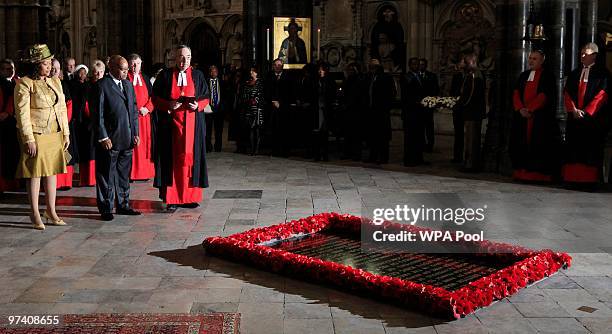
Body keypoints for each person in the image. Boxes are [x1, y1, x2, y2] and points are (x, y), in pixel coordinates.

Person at [14, 44, 70, 230]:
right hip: (37, 134)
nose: (49, 67)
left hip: (54, 132)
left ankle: (51, 211)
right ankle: (34, 212)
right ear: (36, 65)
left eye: (49, 63)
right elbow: (22, 114)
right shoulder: (24, 84)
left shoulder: (55, 81)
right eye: (45, 64)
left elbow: (61, 109)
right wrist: (28, 138)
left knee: (52, 172)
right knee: (35, 173)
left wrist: (66, 132)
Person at [152, 45, 210, 212]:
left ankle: (190, 197)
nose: (184, 61)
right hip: (171, 127)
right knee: (173, 162)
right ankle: (173, 198)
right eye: (181, 57)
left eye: (188, 57)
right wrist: (168, 104)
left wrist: (197, 105)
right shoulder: (165, 75)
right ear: (175, 58)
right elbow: (155, 98)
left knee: (191, 162)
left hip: (193, 127)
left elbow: (206, 97)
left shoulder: (198, 75)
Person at [91, 55, 141, 221]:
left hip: (127, 138)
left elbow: (133, 110)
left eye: (127, 69)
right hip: (109, 140)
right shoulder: (101, 85)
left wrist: (135, 133)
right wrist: (103, 136)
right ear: (111, 67)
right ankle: (106, 207)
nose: (127, 72)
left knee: (123, 175)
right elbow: (98, 115)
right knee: (106, 174)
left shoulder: (127, 84)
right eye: (122, 69)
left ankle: (123, 204)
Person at [562, 43, 610, 184]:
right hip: (575, 118)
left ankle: (588, 181)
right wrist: (573, 110)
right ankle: (571, 179)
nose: (582, 56)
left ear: (594, 55)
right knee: (573, 149)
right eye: (581, 53)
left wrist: (587, 112)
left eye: (586, 53)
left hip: (592, 120)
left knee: (590, 150)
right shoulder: (575, 73)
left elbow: (602, 95)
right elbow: (567, 93)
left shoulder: (603, 74)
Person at [510, 50, 559, 182]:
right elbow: (516, 93)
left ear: (542, 60)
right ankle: (521, 173)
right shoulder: (523, 75)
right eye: (530, 58)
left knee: (538, 145)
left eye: (534, 59)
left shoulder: (547, 76)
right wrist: (520, 109)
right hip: (522, 117)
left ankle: (537, 175)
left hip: (539, 118)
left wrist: (530, 109)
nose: (531, 61)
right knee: (521, 144)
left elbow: (544, 95)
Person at [127, 53, 156, 181]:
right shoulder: (125, 79)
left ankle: (145, 173)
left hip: (144, 119)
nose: (135, 66)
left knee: (145, 145)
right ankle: (131, 174)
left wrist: (147, 108)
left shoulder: (145, 78)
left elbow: (153, 98)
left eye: (137, 63)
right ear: (128, 65)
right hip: (130, 119)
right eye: (133, 64)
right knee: (133, 145)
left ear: (141, 64)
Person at [51, 58, 79, 190]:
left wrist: (63, 123)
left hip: (64, 125)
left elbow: (69, 104)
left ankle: (65, 182)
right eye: (52, 68)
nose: (54, 71)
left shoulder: (63, 85)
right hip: (50, 127)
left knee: (66, 153)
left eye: (57, 68)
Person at [456, 53, 486, 172]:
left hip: (472, 112)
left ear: (471, 63)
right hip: (472, 112)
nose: (462, 64)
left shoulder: (474, 75)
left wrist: (459, 105)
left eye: (464, 62)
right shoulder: (471, 74)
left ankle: (471, 165)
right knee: (470, 138)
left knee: (471, 140)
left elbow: (470, 96)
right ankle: (470, 162)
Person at [365, 59, 395, 164]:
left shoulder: (385, 77)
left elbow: (391, 93)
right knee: (372, 135)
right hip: (371, 111)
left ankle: (383, 157)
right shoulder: (369, 77)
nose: (371, 69)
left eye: (373, 67)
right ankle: (373, 156)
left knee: (382, 136)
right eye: (370, 67)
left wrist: (386, 106)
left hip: (382, 111)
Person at [400, 57, 427, 166]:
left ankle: (418, 158)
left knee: (419, 136)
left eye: (418, 64)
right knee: (410, 137)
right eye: (414, 64)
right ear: (410, 65)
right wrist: (416, 102)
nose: (417, 66)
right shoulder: (406, 77)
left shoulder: (420, 77)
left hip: (419, 112)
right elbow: (406, 95)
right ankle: (409, 159)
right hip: (410, 112)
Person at [0, 59, 20, 195]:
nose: (10, 71)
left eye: (12, 68)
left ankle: (14, 183)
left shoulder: (16, 82)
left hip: (14, 123)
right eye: (7, 69)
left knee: (14, 153)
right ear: (1, 71)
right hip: (2, 124)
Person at [265, 58, 293, 156]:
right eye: (276, 65)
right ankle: (274, 150)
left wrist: (281, 103)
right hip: (272, 107)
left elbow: (290, 93)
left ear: (283, 66)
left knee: (284, 130)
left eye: (279, 65)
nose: (278, 67)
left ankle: (285, 151)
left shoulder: (288, 77)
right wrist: (272, 101)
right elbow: (266, 91)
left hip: (284, 107)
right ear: (273, 66)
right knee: (273, 129)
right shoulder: (269, 76)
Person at [311, 62, 337, 161]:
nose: (320, 71)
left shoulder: (329, 81)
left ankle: (325, 154)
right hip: (317, 109)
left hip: (325, 109)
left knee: (324, 132)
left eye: (321, 70)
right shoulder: (315, 81)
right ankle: (317, 154)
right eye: (319, 70)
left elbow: (332, 95)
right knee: (316, 132)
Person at [238, 66, 265, 155]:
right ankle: (252, 149)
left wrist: (255, 100)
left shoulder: (260, 83)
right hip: (248, 108)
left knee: (256, 129)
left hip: (257, 109)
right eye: (250, 71)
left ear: (256, 73)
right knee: (250, 129)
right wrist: (247, 100)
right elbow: (244, 94)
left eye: (252, 71)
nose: (251, 73)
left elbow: (261, 95)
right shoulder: (248, 82)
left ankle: (256, 150)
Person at [342, 63, 364, 161]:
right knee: (348, 133)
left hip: (356, 111)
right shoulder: (347, 81)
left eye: (352, 70)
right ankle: (348, 153)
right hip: (348, 111)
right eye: (349, 70)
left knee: (356, 134)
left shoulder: (359, 81)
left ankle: (356, 154)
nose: (350, 72)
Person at [419, 58, 440, 152]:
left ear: (426, 65)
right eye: (420, 64)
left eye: (423, 64)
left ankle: (430, 145)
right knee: (420, 127)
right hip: (419, 106)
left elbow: (435, 90)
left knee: (429, 127)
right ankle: (421, 144)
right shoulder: (416, 76)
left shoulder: (432, 76)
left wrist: (432, 102)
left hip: (428, 105)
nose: (421, 66)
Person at [450, 58, 466, 163]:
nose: (462, 65)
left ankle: (468, 157)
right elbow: (452, 91)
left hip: (467, 108)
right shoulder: (456, 77)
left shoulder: (471, 76)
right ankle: (457, 156)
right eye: (461, 62)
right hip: (458, 108)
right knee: (458, 134)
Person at [206, 65, 225, 152]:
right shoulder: (206, 82)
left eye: (215, 71)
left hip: (219, 109)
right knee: (208, 129)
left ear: (217, 72)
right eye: (212, 71)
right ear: (209, 72)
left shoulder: (222, 82)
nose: (213, 73)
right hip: (209, 108)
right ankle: (208, 147)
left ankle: (218, 147)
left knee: (219, 129)